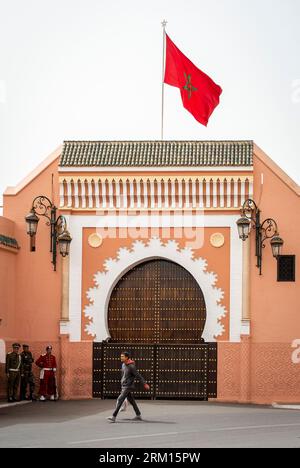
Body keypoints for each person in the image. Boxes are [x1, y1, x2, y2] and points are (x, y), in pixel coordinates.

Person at [107, 351, 150, 422]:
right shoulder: (123, 365)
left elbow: (138, 376)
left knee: (120, 399)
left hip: (128, 386)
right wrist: (122, 382)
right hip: (124, 385)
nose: (121, 358)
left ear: (127, 357)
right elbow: (123, 375)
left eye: (122, 356)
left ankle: (113, 416)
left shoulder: (131, 366)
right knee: (132, 401)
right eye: (121, 356)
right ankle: (138, 415)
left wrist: (144, 384)